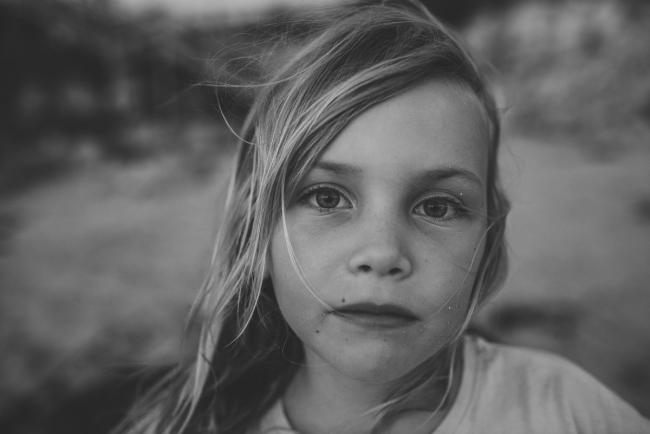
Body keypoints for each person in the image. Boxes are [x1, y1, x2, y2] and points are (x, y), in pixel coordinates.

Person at [116, 1, 650, 433]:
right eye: (327, 198)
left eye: (438, 206)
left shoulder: (568, 410)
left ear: (488, 241)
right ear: (257, 236)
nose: (382, 254)